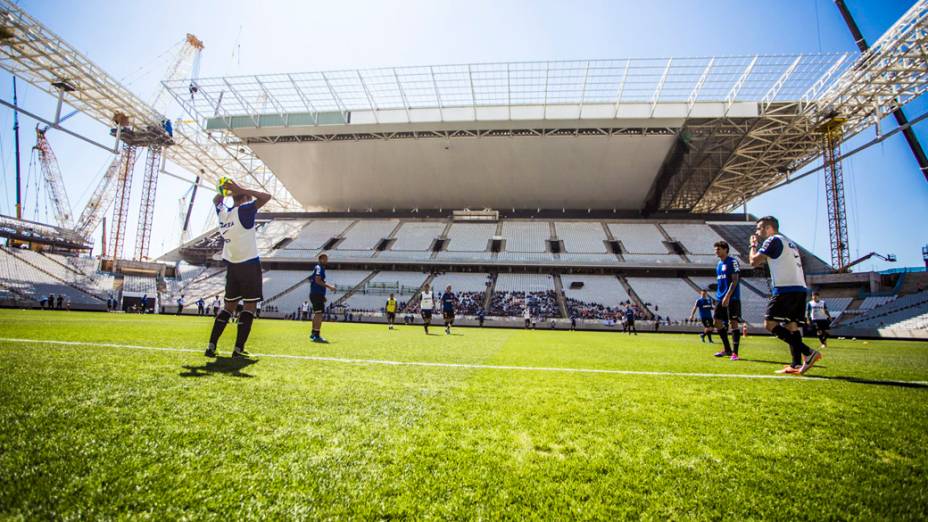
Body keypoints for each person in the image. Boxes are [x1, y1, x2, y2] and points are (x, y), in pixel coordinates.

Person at [205, 179, 271, 358]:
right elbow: (267, 197)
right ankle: (238, 349)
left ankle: (211, 345)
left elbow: (216, 201)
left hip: (232, 265)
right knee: (249, 307)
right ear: (246, 198)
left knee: (228, 306)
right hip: (249, 263)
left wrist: (225, 191)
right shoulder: (245, 210)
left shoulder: (224, 214)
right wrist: (240, 189)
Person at [749, 215, 821, 374]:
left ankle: (808, 352)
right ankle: (795, 364)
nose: (757, 231)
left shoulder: (772, 240)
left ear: (769, 228)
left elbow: (753, 261)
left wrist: (753, 246)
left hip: (785, 289)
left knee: (769, 324)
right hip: (799, 288)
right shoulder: (789, 242)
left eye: (759, 228)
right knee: (791, 325)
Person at [712, 241, 742, 361]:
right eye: (715, 249)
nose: (716, 251)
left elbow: (735, 281)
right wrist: (720, 297)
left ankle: (735, 353)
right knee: (717, 322)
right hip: (720, 297)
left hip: (732, 298)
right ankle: (727, 349)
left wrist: (728, 296)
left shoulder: (732, 261)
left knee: (733, 323)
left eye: (718, 249)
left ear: (725, 249)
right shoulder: (718, 264)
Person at [309, 253, 337, 343]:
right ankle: (317, 335)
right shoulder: (319, 267)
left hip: (316, 294)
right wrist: (330, 287)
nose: (327, 261)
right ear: (321, 259)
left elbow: (313, 280)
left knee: (317, 313)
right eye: (325, 259)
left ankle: (313, 333)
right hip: (316, 294)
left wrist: (322, 295)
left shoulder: (319, 268)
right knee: (319, 314)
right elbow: (317, 280)